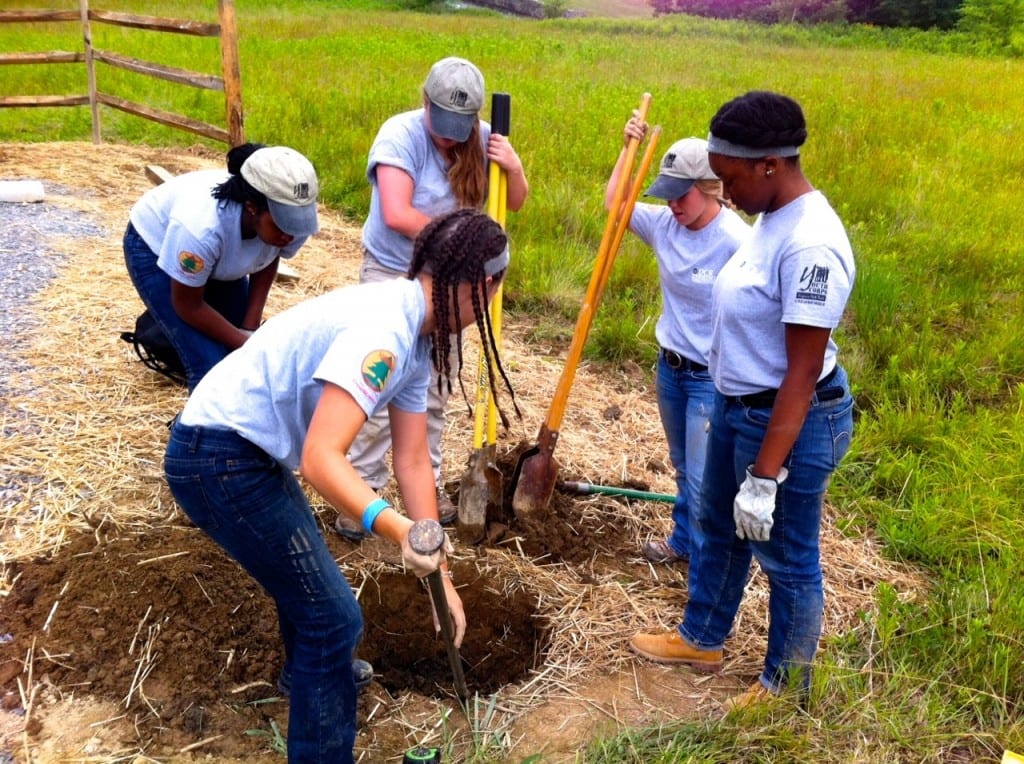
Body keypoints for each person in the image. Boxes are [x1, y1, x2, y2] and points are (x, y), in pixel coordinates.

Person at [164, 209, 515, 762]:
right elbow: (321, 458)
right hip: (217, 455)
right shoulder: (386, 333)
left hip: (245, 450)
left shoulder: (416, 330)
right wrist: (399, 530)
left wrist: (441, 577)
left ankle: (307, 675)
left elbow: (413, 461)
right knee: (333, 617)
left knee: (310, 591)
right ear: (486, 285)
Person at [629, 91, 856, 712]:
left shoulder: (810, 243)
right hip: (740, 407)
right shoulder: (771, 217)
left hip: (790, 422)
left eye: (729, 179)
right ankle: (702, 638)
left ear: (769, 165)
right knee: (718, 530)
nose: (724, 194)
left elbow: (804, 371)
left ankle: (784, 689)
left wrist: (764, 476)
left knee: (786, 557)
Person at [339, 56, 529, 537]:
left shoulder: (485, 139)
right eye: (441, 123)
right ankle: (361, 494)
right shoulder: (399, 136)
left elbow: (514, 201)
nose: (448, 136)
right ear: (425, 101)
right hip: (393, 274)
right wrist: (462, 238)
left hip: (447, 288)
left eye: (458, 128)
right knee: (377, 385)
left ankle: (429, 487)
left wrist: (515, 168)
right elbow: (397, 213)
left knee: (436, 389)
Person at [605, 117, 749, 566]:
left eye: (680, 194)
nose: (671, 205)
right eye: (665, 194)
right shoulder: (665, 225)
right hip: (671, 369)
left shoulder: (736, 240)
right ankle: (685, 542)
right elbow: (616, 205)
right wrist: (628, 146)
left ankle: (710, 567)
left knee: (707, 479)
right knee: (684, 466)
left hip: (711, 378)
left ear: (709, 188)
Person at [124, 143, 319, 391]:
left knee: (235, 345)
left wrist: (249, 328)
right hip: (153, 245)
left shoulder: (291, 219)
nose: (291, 235)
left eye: (297, 223)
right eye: (284, 225)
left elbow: (268, 256)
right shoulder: (200, 229)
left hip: (216, 255)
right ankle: (192, 429)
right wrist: (246, 344)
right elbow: (188, 305)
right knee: (209, 365)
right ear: (252, 207)